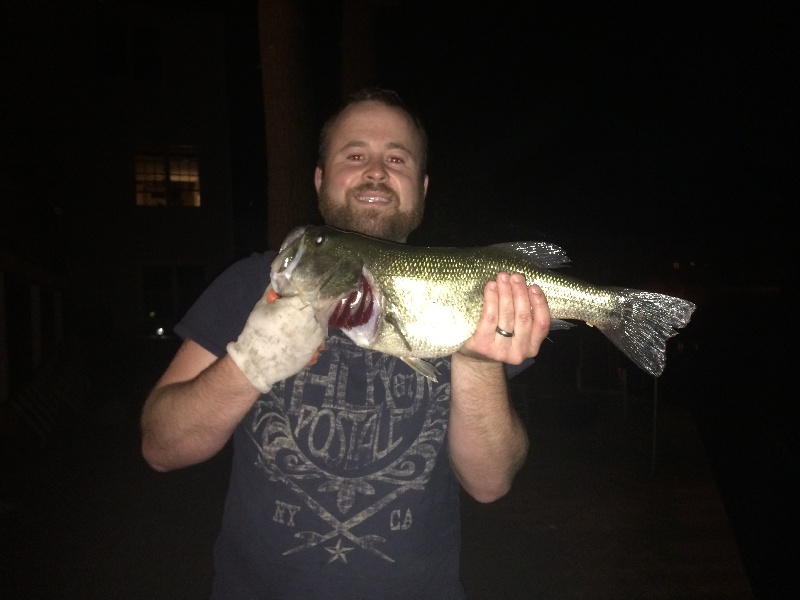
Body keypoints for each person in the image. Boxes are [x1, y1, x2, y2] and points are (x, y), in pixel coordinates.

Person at [140, 87, 551, 599]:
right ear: (319, 179)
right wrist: (249, 364)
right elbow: (160, 447)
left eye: (396, 158)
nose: (376, 171)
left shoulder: (469, 294)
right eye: (354, 155)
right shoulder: (252, 284)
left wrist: (478, 360)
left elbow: (491, 484)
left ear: (421, 188)